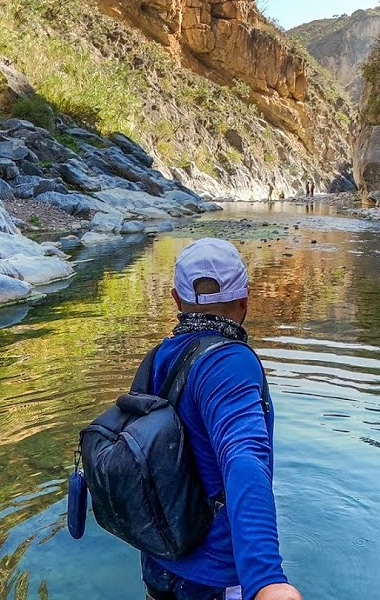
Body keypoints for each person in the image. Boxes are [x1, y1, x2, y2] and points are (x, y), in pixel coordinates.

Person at [140, 238, 301, 600]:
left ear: (176, 300)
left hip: (158, 556)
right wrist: (265, 579)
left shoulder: (158, 357)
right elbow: (244, 458)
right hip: (211, 574)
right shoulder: (230, 363)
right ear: (245, 301)